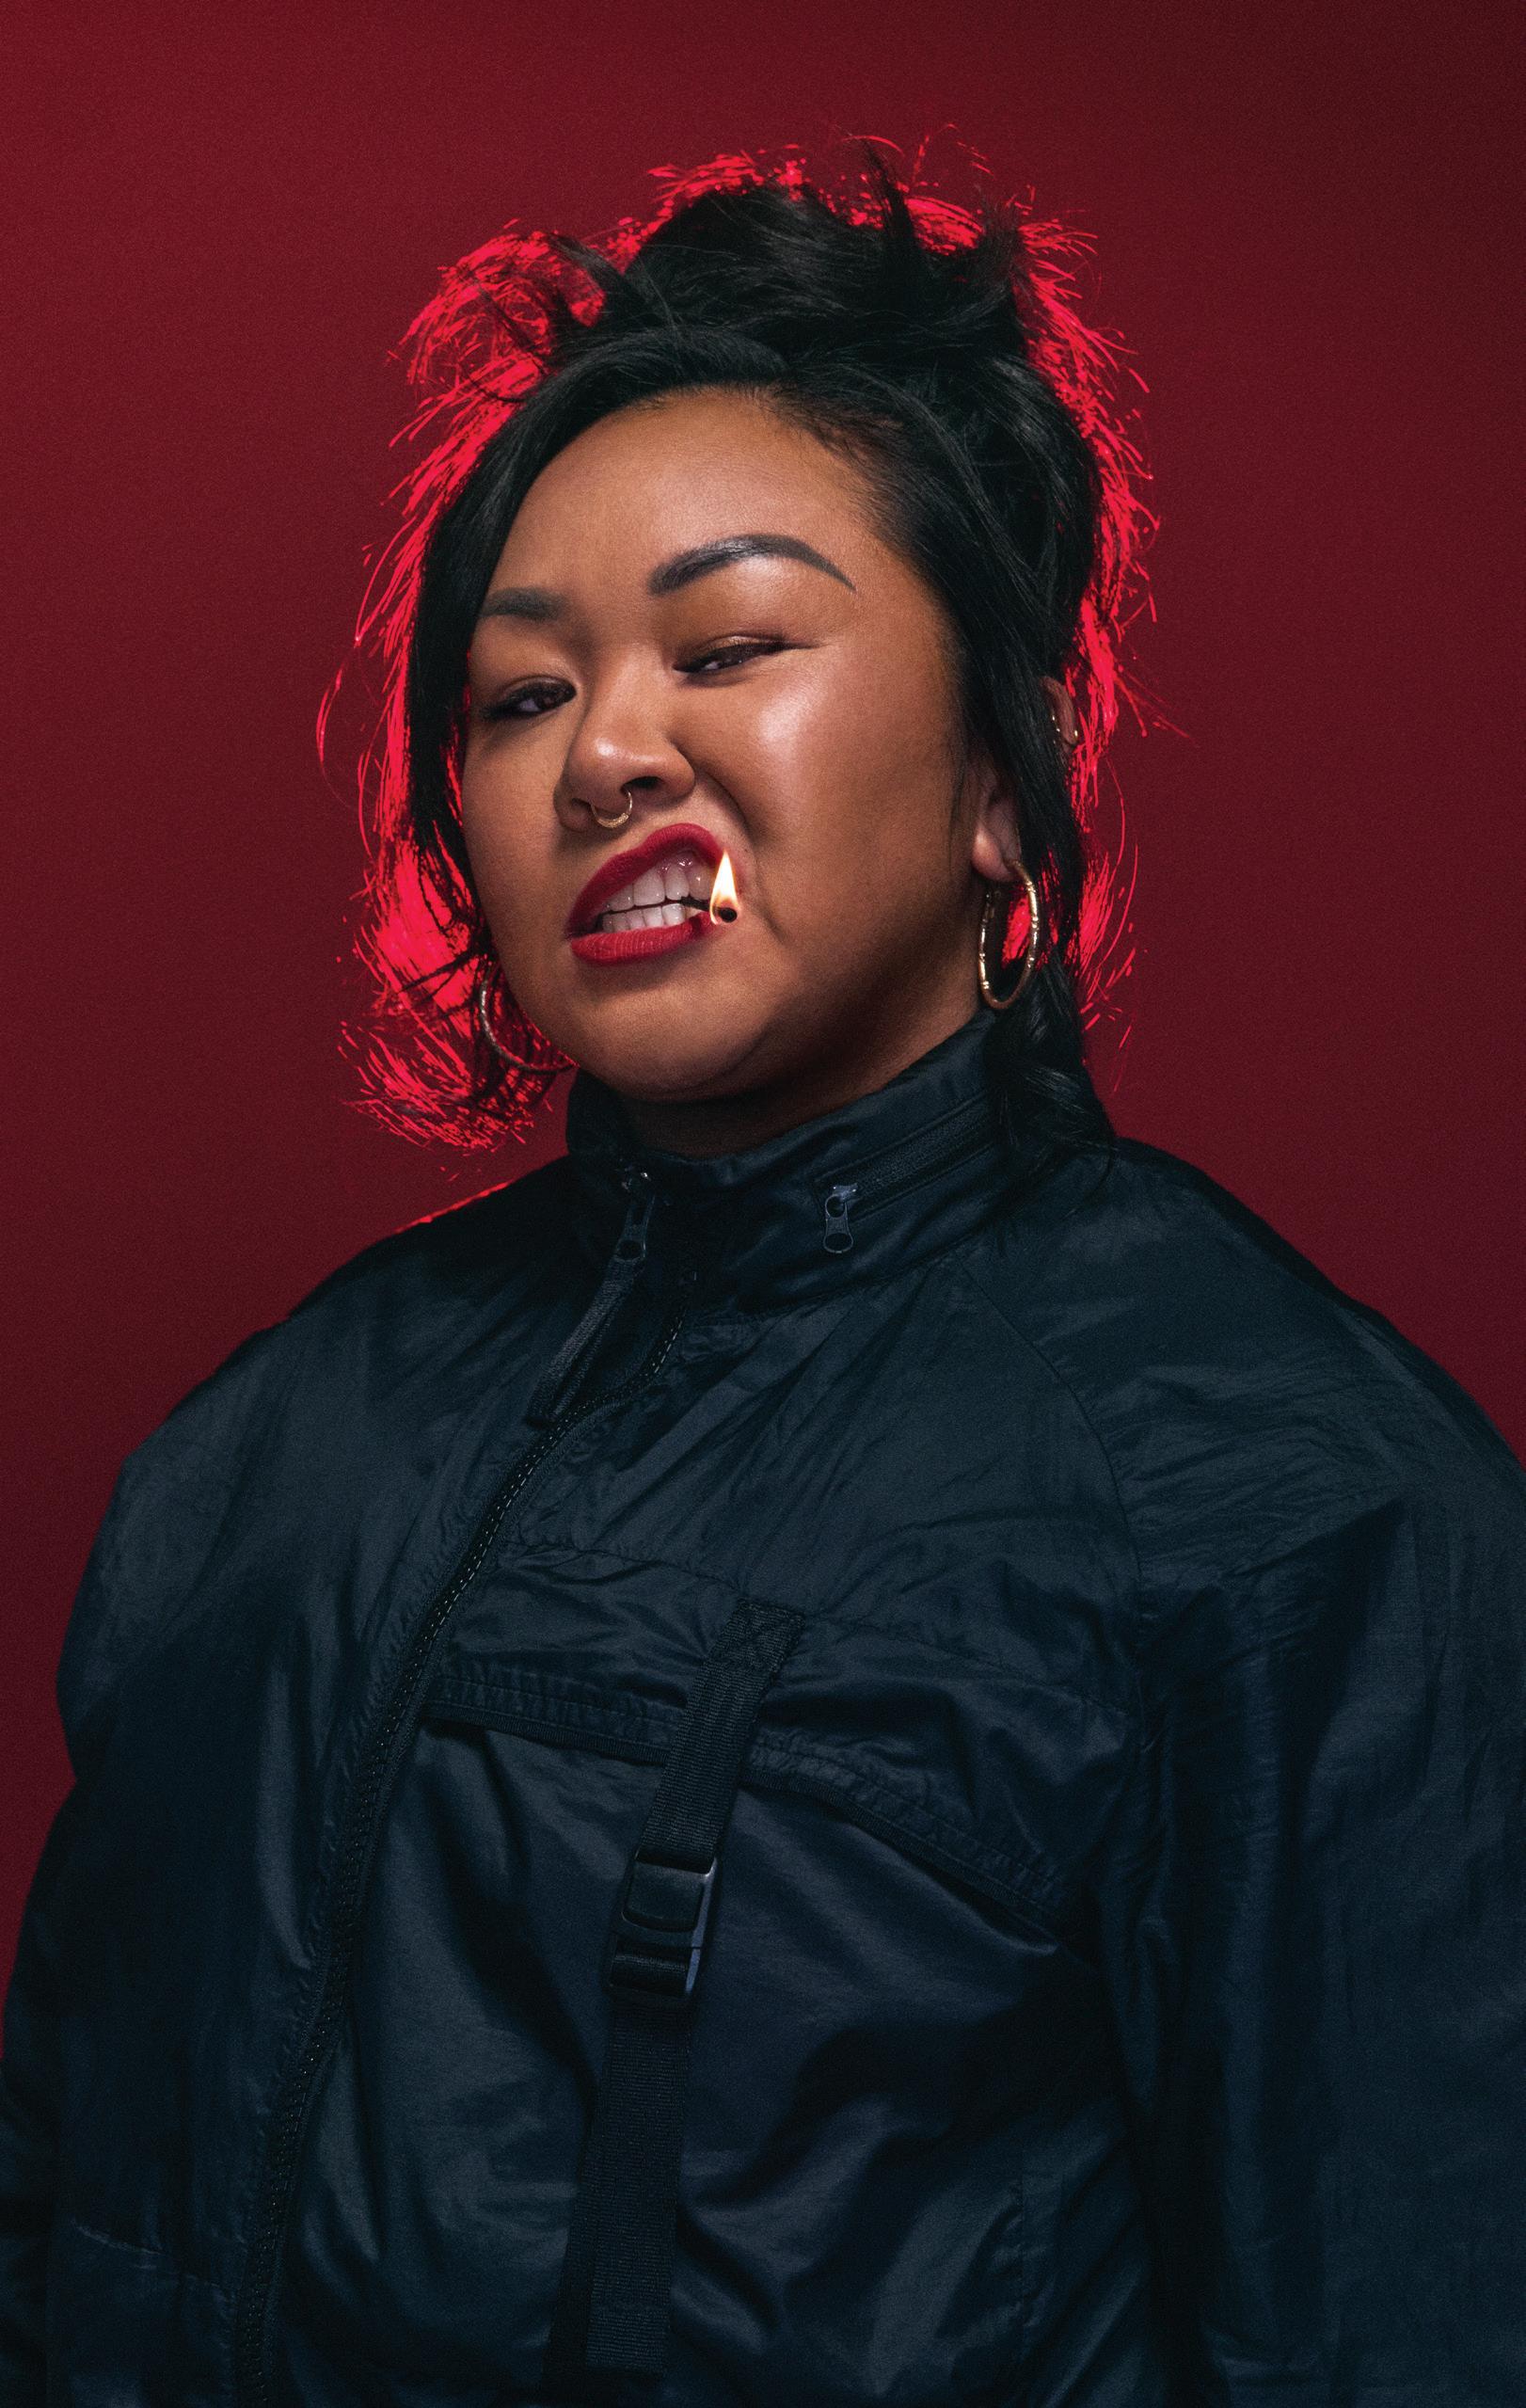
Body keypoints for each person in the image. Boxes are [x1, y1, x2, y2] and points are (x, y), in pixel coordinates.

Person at [2, 145, 1522, 2408]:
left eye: (727, 648)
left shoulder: (1299, 1515)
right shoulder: (266, 1451)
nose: (609, 754)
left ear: (1004, 773)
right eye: (522, 697)